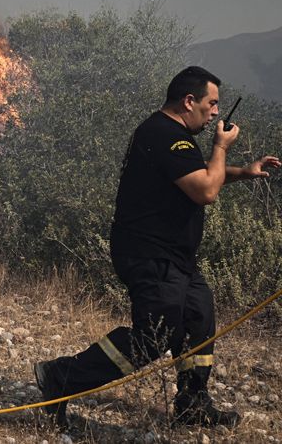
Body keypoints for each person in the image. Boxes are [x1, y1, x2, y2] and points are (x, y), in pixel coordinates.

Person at [34, 66, 280, 429]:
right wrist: (220, 147)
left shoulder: (171, 135)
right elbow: (206, 191)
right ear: (189, 100)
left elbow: (197, 176)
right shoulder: (166, 135)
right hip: (149, 254)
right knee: (156, 335)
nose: (215, 113)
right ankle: (61, 377)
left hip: (174, 256)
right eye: (212, 104)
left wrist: (243, 170)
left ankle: (192, 403)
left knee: (198, 316)